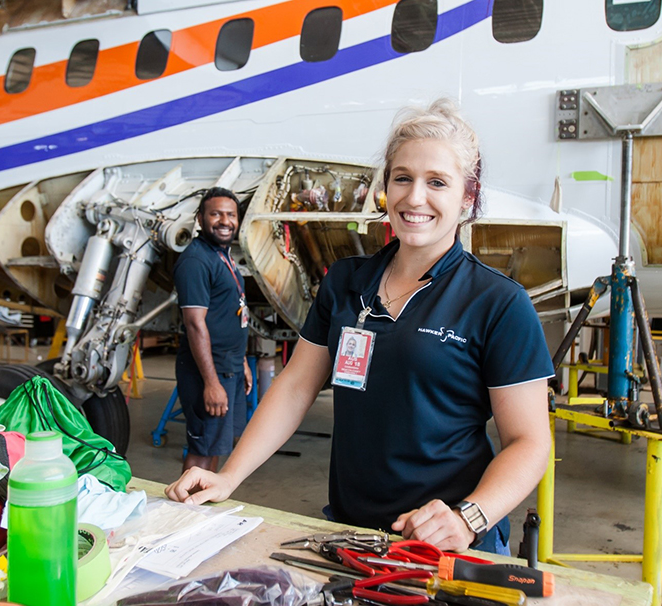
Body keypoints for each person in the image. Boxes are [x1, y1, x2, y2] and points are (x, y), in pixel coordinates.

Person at [167, 100, 554, 554]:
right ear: (385, 187)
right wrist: (228, 474)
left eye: (437, 183)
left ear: (467, 196)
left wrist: (470, 517)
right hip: (351, 534)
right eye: (403, 178)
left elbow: (529, 443)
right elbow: (295, 387)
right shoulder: (347, 281)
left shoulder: (497, 302)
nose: (414, 198)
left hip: (450, 544)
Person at [173, 187, 252, 473]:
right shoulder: (196, 261)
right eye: (216, 214)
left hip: (227, 364)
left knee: (217, 444)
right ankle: (186, 513)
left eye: (231, 215)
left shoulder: (221, 254)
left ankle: (201, 505)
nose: (224, 221)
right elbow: (195, 324)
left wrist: (241, 360)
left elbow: (229, 312)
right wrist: (211, 383)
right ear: (200, 218)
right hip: (209, 368)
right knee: (202, 448)